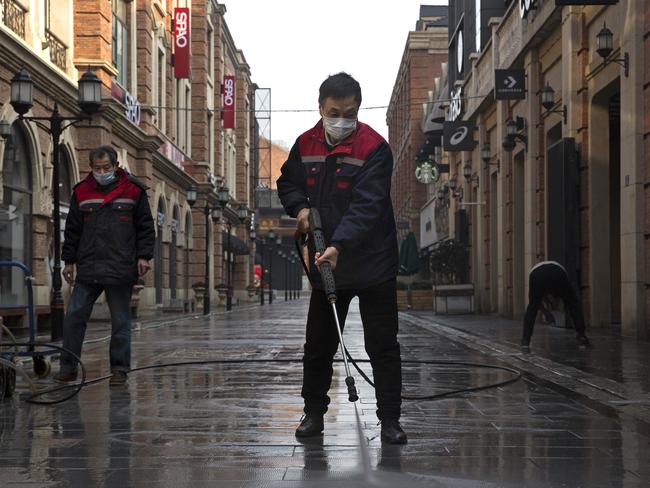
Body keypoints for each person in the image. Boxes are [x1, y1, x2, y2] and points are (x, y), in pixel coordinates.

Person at [277, 72, 406, 444]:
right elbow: (288, 183)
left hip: (373, 262)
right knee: (319, 344)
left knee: (383, 345)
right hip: (325, 260)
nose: (342, 120)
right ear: (320, 108)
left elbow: (368, 206)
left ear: (358, 109)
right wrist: (299, 208)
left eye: (349, 113)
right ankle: (313, 413)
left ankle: (391, 420)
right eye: (334, 112)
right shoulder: (305, 144)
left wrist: (339, 244)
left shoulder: (374, 148)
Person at [53, 146, 155, 386]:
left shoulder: (133, 190)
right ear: (91, 167)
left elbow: (146, 227)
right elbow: (73, 229)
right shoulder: (82, 191)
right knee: (74, 316)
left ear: (116, 166)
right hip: (89, 266)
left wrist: (144, 256)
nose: (101, 172)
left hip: (121, 267)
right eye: (97, 168)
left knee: (120, 320)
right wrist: (69, 261)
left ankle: (119, 369)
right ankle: (68, 368)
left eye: (106, 168)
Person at [521, 260, 591, 352]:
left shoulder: (536, 276)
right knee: (573, 304)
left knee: (532, 307)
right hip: (558, 272)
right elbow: (569, 301)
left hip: (537, 274)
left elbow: (536, 304)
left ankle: (526, 340)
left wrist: (546, 313)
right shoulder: (561, 275)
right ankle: (582, 336)